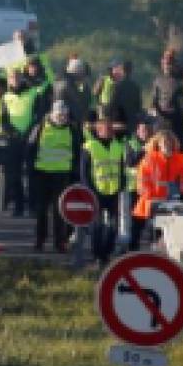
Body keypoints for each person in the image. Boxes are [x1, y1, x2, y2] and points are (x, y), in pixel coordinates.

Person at [27, 101, 84, 253]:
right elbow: (30, 149)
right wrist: (30, 171)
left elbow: (78, 152)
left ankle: (60, 242)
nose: (61, 118)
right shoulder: (40, 128)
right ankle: (40, 240)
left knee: (60, 211)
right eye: (59, 115)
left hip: (63, 175)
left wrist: (75, 173)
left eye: (64, 115)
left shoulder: (72, 130)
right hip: (42, 174)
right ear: (52, 114)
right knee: (41, 210)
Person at [131, 131, 183, 251]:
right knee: (138, 231)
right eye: (165, 143)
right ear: (158, 144)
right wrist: (149, 195)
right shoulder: (150, 159)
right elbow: (141, 179)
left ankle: (158, 253)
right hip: (149, 202)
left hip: (169, 202)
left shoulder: (180, 159)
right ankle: (133, 254)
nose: (168, 145)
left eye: (170, 142)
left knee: (162, 233)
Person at [81, 115, 127, 264]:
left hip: (113, 191)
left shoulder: (117, 146)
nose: (107, 131)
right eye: (104, 128)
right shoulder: (90, 146)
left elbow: (121, 167)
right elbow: (84, 171)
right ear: (98, 130)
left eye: (109, 128)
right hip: (96, 191)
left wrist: (122, 185)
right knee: (97, 225)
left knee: (113, 226)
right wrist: (89, 189)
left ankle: (106, 253)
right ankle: (97, 255)